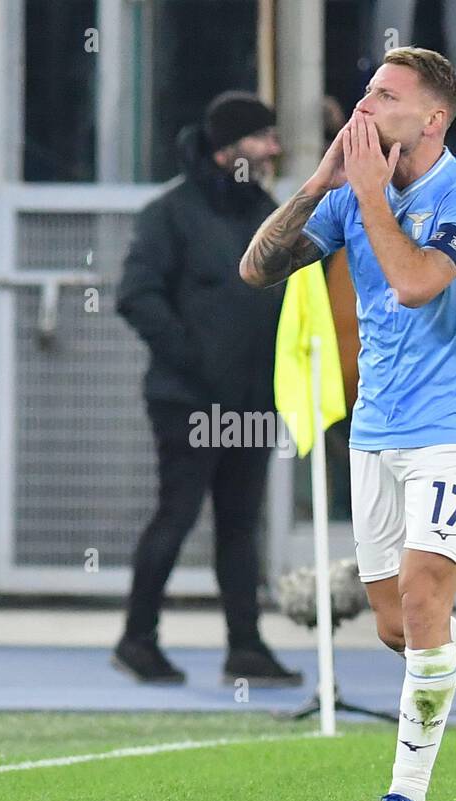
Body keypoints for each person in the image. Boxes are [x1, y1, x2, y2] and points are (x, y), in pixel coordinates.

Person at [241, 48, 456, 801]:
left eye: (386, 96)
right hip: (375, 429)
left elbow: (412, 283)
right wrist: (318, 184)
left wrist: (370, 195)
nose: (365, 108)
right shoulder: (349, 198)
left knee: (422, 597)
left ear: (433, 119)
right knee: (397, 626)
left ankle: (404, 796)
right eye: (367, 91)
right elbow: (256, 268)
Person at [112, 92, 302, 688]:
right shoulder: (169, 213)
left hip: (251, 400)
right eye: (262, 138)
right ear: (227, 151)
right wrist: (194, 362)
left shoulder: (264, 210)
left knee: (240, 525)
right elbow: (136, 296)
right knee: (177, 514)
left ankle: (244, 647)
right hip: (188, 400)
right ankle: (136, 640)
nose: (273, 149)